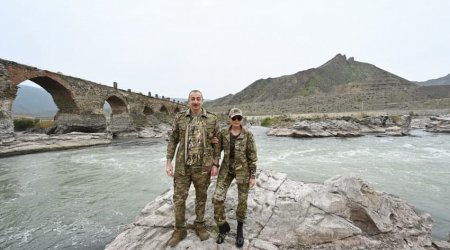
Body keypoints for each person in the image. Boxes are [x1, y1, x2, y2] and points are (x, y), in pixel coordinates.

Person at [165, 90, 220, 247]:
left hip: (203, 167)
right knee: (179, 198)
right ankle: (180, 230)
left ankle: (200, 224)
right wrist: (169, 162)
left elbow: (217, 142)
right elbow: (173, 140)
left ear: (202, 101)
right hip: (183, 167)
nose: (195, 101)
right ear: (188, 101)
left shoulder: (212, 118)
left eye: (198, 99)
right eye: (192, 99)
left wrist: (216, 163)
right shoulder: (180, 117)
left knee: (201, 197)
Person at [211, 108, 257, 247]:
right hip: (226, 169)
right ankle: (222, 227)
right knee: (217, 198)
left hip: (243, 171)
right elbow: (218, 151)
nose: (236, 120)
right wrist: (215, 165)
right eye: (234, 118)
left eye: (239, 118)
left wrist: (253, 176)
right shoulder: (223, 133)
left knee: (242, 201)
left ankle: (239, 230)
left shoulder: (248, 134)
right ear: (229, 119)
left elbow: (252, 156)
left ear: (242, 119)